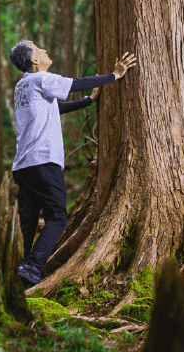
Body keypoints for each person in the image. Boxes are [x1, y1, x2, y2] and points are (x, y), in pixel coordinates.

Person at [8, 41, 137, 287]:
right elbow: (74, 84)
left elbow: (53, 109)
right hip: (43, 161)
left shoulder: (23, 85)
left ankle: (21, 273)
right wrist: (114, 75)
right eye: (39, 49)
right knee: (57, 218)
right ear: (34, 60)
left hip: (23, 166)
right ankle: (33, 267)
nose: (45, 50)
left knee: (29, 222)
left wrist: (88, 101)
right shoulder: (40, 79)